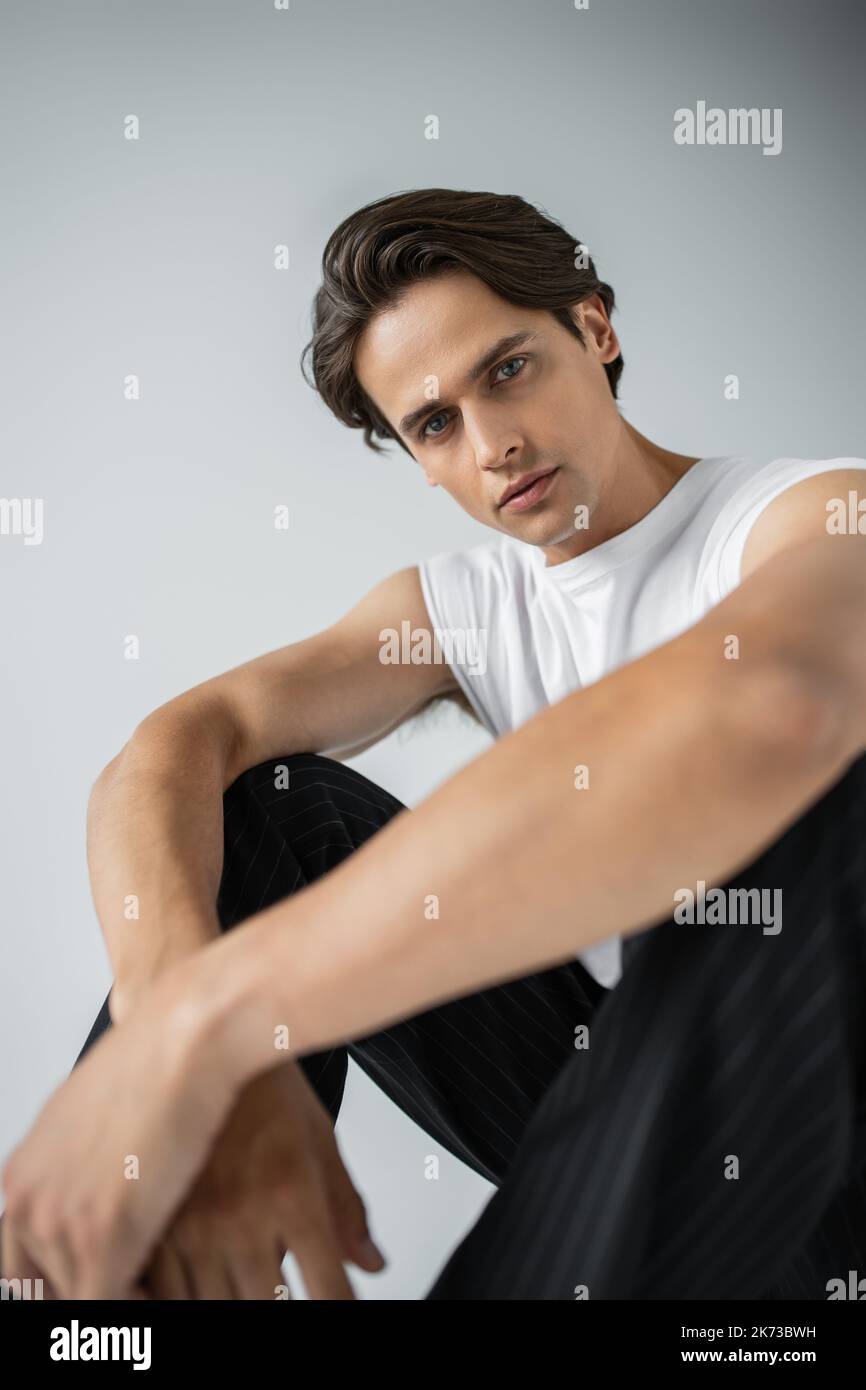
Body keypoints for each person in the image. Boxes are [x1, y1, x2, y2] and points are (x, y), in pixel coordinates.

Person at [3, 188, 866, 1301]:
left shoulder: (806, 516)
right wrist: (169, 1035)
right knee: (272, 803)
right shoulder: (457, 606)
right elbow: (171, 748)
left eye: (507, 369)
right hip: (634, 1115)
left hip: (816, 1145)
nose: (493, 442)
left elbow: (770, 704)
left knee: (764, 854)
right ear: (416, 459)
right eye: (434, 423)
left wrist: (220, 1027)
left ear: (593, 331)